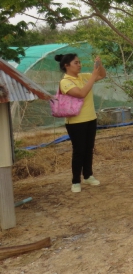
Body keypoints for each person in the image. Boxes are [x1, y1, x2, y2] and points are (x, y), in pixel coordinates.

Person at [56, 53, 106, 193]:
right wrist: (93, 76)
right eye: (76, 63)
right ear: (66, 66)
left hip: (90, 118)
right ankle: (76, 181)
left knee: (89, 148)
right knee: (79, 150)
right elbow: (81, 93)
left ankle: (88, 175)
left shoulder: (83, 76)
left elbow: (102, 75)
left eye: (79, 62)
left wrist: (99, 65)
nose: (79, 65)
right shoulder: (65, 82)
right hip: (75, 121)